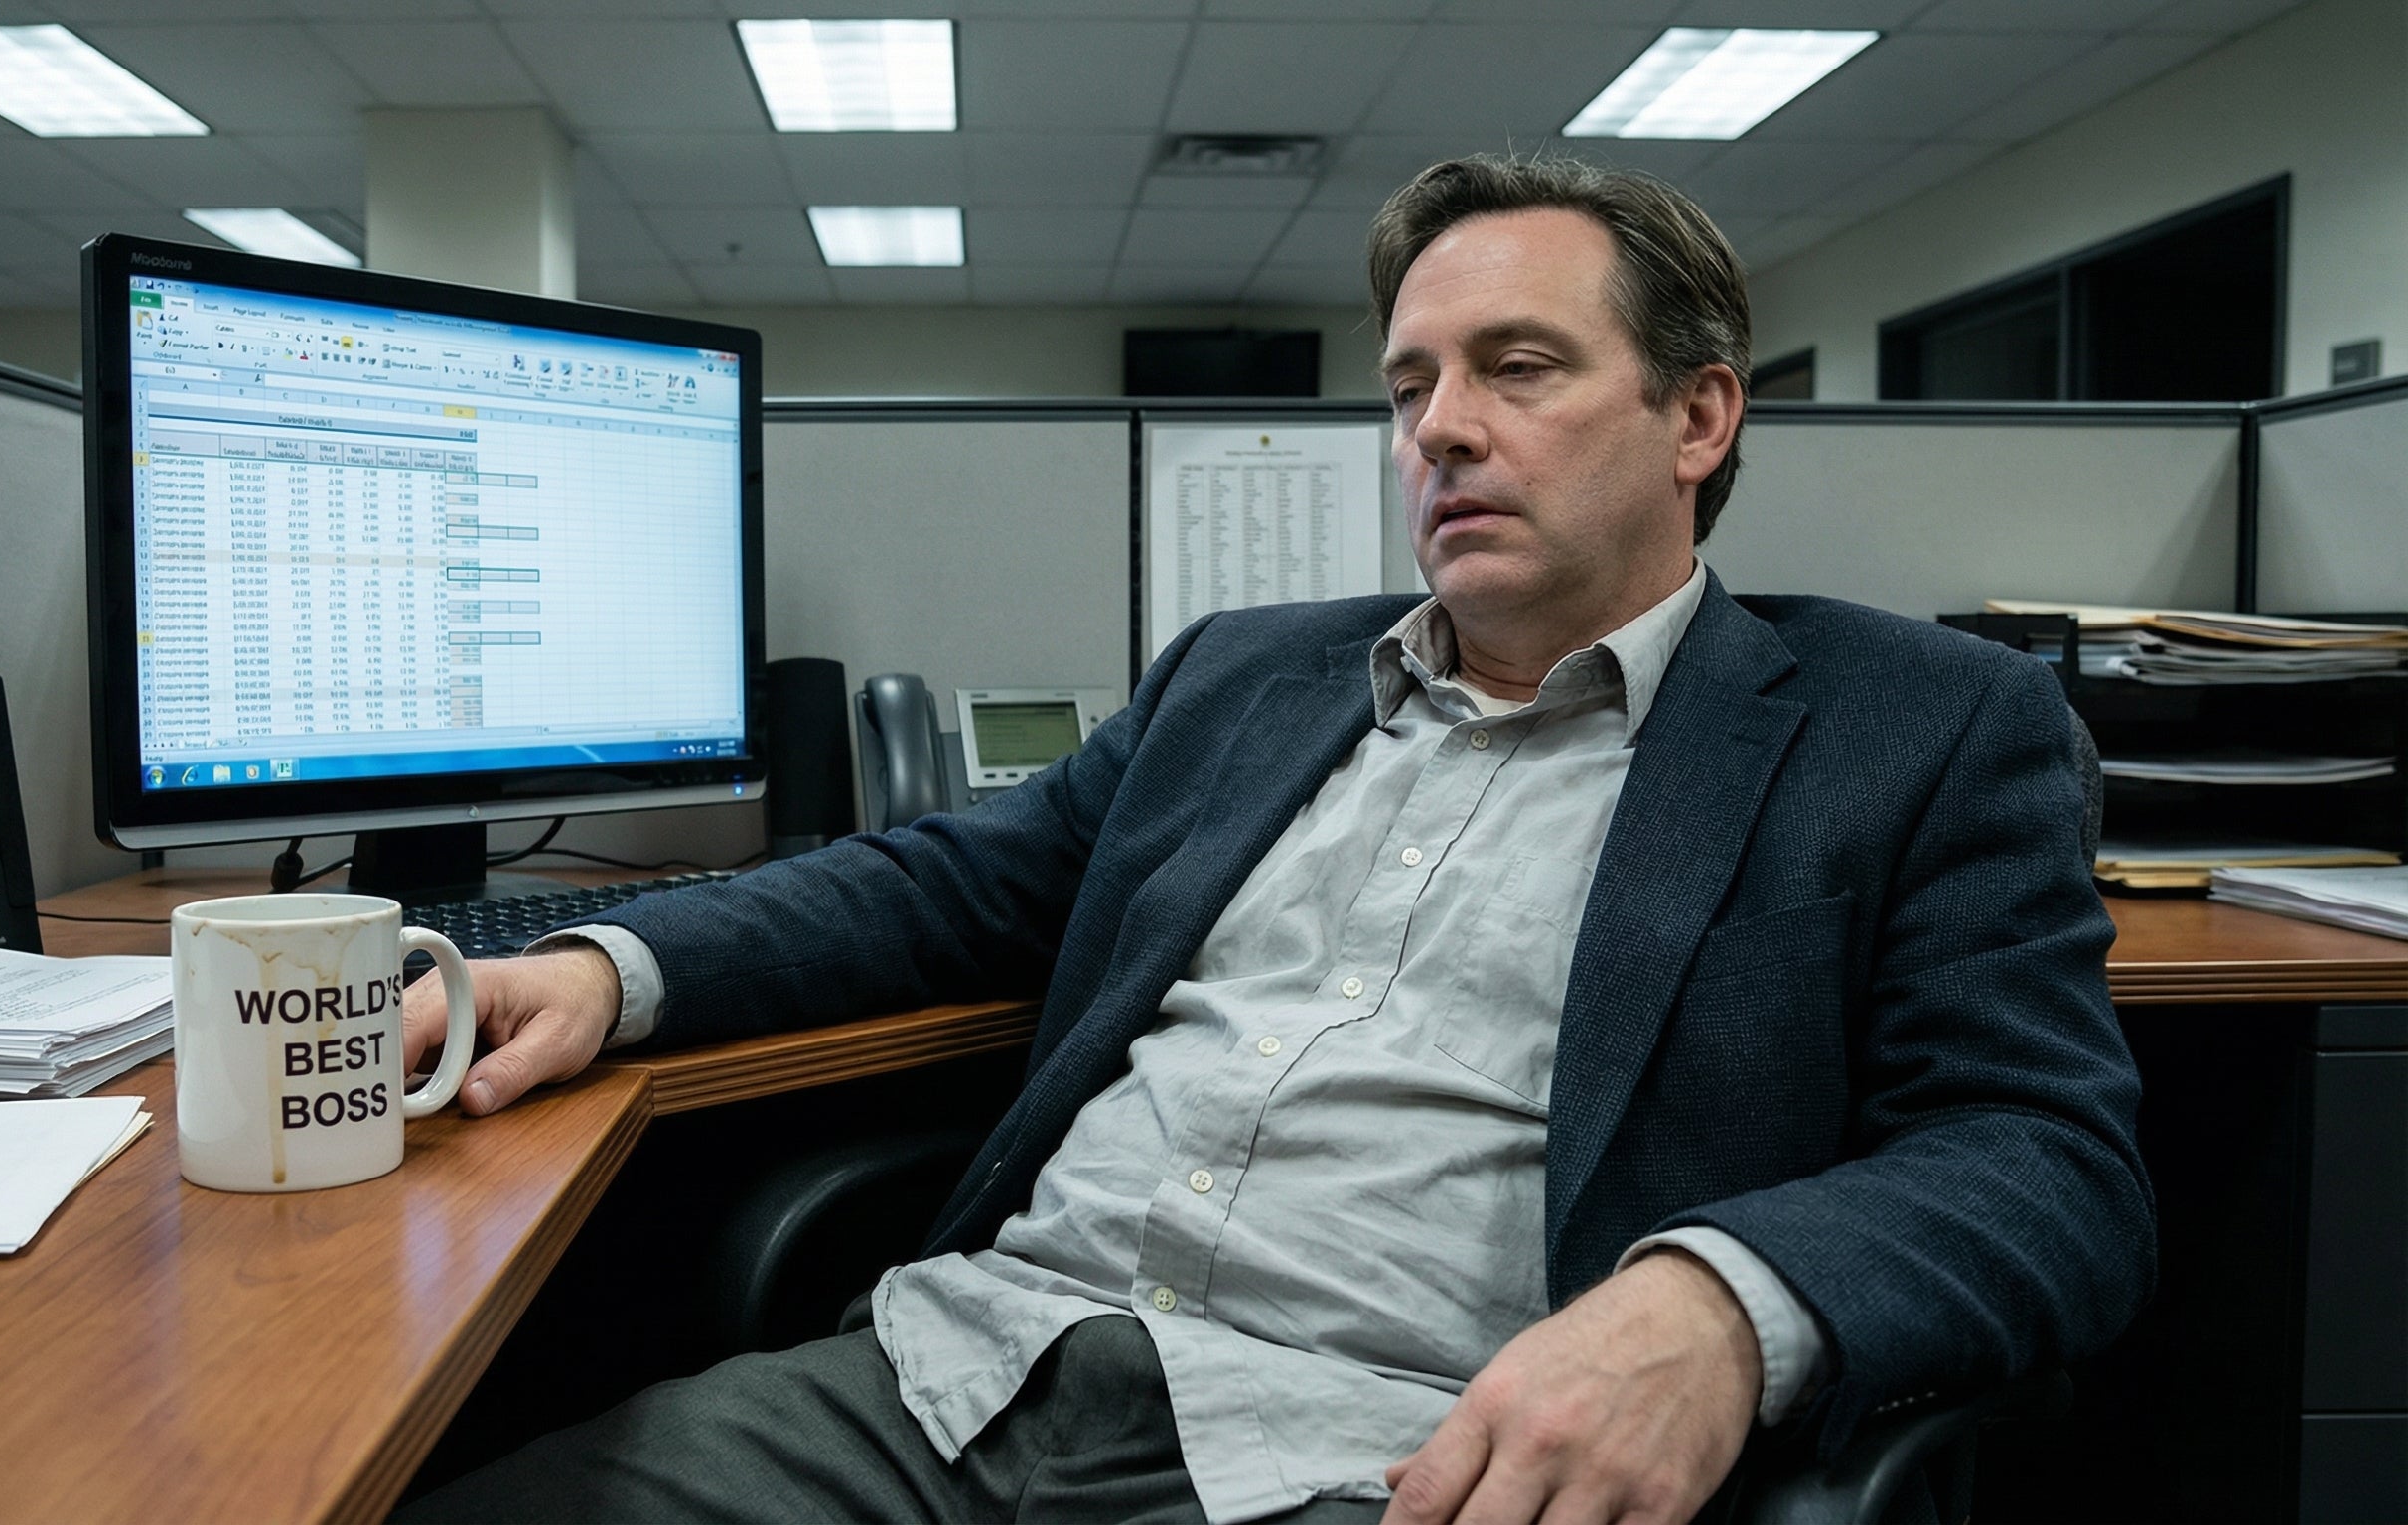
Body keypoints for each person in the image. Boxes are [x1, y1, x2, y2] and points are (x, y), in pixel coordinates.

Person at [397, 154, 2155, 1525]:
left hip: (1388, 1458)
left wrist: (1714, 1307)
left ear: (1698, 417)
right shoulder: (1247, 677)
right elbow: (952, 882)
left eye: (1518, 367)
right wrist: (607, 966)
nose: (1442, 426)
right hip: (954, 1385)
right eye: (1411, 385)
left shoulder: (1915, 728)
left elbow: (2046, 1158)